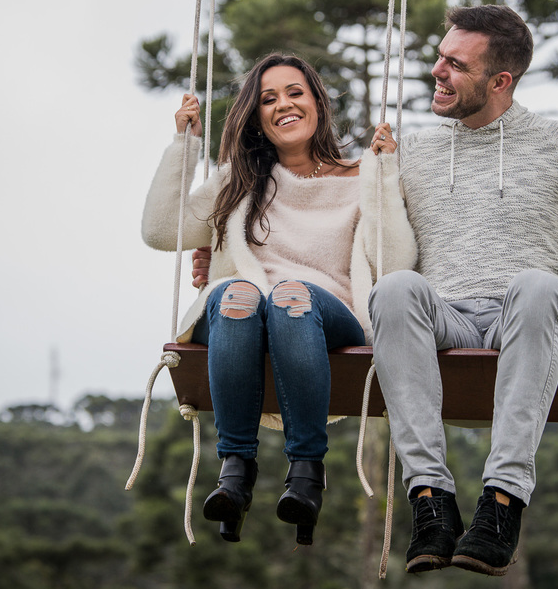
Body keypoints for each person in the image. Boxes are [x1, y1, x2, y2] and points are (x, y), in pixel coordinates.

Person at [369, 5, 558, 576]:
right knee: (396, 287)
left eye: (455, 64)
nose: (437, 72)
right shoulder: (415, 152)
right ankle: (430, 500)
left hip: (536, 321)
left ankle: (502, 503)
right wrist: (220, 246)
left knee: (537, 285)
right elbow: (347, 229)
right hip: (446, 321)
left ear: (500, 81)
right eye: (439, 57)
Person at [141, 52, 415, 546]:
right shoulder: (240, 179)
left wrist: (387, 174)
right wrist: (184, 144)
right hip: (241, 314)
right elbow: (162, 231)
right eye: (268, 99)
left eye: (295, 93)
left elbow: (396, 261)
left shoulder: (362, 174)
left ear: (317, 103)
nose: (283, 105)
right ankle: (235, 471)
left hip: (328, 316)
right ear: (255, 116)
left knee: (292, 295)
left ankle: (307, 472)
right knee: (242, 294)